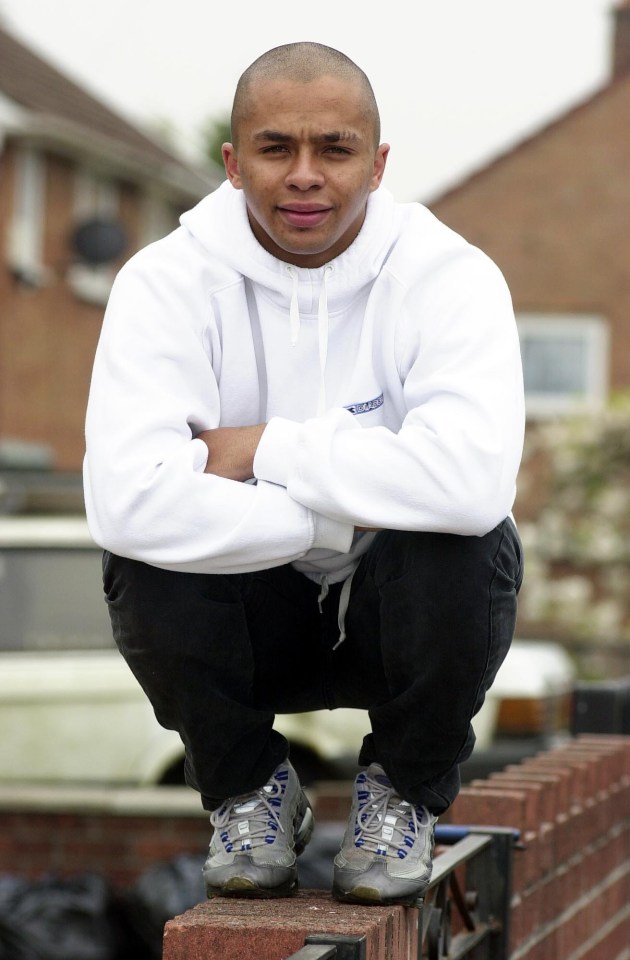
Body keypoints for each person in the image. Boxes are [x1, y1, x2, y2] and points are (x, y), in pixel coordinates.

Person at [83, 41, 524, 906]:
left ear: (379, 161)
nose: (305, 175)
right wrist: (341, 516)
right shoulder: (166, 283)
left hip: (398, 609)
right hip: (244, 607)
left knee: (472, 544)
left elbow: (472, 482)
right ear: (234, 162)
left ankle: (401, 789)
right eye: (276, 148)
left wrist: (261, 449)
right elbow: (128, 504)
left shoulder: (449, 276)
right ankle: (249, 789)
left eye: (336, 148)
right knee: (143, 561)